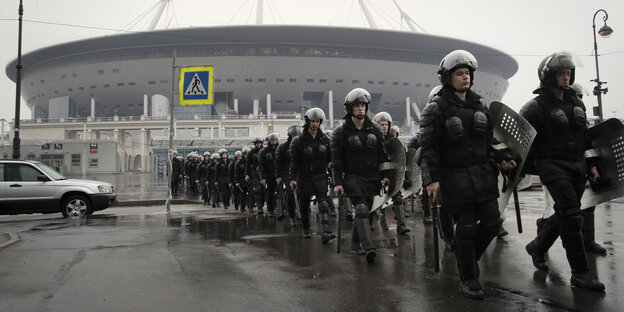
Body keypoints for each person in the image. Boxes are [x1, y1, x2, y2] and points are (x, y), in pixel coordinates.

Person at [419, 50, 517, 299]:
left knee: (493, 222)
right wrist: (432, 179)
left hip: (483, 175)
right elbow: (428, 148)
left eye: (467, 73)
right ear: (448, 78)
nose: (465, 77)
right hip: (455, 178)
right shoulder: (436, 108)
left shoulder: (480, 105)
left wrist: (502, 158)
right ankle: (469, 278)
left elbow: (490, 142)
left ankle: (468, 259)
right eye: (459, 73)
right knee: (465, 227)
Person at [520, 51, 605, 291]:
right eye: (561, 73)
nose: (566, 77)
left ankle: (538, 246)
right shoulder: (535, 106)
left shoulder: (577, 102)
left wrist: (593, 166)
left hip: (577, 166)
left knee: (564, 214)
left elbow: (586, 139)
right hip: (552, 166)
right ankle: (580, 273)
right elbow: (519, 138)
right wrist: (522, 168)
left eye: (568, 73)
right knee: (572, 216)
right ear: (549, 76)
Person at [332, 88, 390, 263]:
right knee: (362, 209)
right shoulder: (341, 133)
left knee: (368, 212)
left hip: (372, 177)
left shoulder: (376, 130)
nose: (361, 109)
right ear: (350, 108)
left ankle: (356, 243)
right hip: (352, 177)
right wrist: (338, 182)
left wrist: (385, 175)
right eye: (357, 105)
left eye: (363, 105)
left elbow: (383, 155)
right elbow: (337, 160)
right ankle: (369, 248)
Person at [290, 108, 334, 241]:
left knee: (324, 204)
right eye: (313, 121)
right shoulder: (298, 141)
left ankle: (325, 231)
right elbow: (294, 162)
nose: (315, 124)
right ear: (308, 122)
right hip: (304, 177)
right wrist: (292, 178)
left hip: (321, 176)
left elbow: (330, 161)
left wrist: (333, 176)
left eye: (317, 121)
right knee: (304, 205)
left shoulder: (326, 140)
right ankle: (306, 229)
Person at [373, 112, 410, 235]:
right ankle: (369, 224)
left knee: (398, 198)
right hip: (377, 174)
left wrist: (402, 176)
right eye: (381, 124)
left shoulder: (393, 141)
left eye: (386, 124)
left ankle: (401, 225)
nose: (384, 127)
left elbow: (400, 159)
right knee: (372, 200)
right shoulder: (372, 139)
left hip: (392, 173)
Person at [277, 125, 302, 225]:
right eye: (293, 135)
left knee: (301, 194)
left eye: (297, 135)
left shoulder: (302, 145)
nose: (295, 136)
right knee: (291, 194)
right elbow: (278, 163)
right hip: (287, 173)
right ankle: (292, 216)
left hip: (300, 172)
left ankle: (301, 213)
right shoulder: (283, 147)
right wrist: (279, 176)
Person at [258, 133, 279, 217]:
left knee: (280, 193)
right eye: (272, 140)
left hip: (278, 174)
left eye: (275, 140)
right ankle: (270, 210)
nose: (274, 142)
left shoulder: (280, 149)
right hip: (268, 175)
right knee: (269, 193)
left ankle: (279, 208)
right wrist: (262, 178)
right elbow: (261, 165)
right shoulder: (263, 151)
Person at [246, 137, 265, 214]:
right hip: (254, 173)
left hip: (263, 173)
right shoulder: (251, 152)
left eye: (259, 143)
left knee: (264, 190)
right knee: (257, 189)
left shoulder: (264, 151)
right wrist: (247, 174)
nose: (258, 144)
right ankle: (259, 207)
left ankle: (262, 204)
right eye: (257, 143)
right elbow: (248, 164)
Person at [235, 147, 251, 213]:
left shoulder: (251, 162)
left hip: (250, 180)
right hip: (242, 181)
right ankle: (242, 207)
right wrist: (237, 181)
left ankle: (250, 206)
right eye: (245, 154)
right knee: (243, 194)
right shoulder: (238, 163)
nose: (246, 155)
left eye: (247, 154)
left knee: (250, 194)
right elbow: (236, 173)